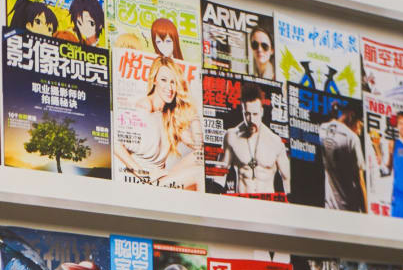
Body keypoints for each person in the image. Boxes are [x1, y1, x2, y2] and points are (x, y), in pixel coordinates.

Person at [115, 56, 202, 187]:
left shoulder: (169, 114)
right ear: (154, 80)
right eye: (164, 80)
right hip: (143, 181)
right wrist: (144, 175)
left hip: (160, 177)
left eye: (173, 82)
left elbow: (199, 147)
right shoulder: (144, 107)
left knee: (200, 158)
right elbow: (116, 143)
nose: (169, 87)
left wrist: (192, 112)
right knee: (198, 173)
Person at [221, 85, 291, 195]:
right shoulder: (232, 136)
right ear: (242, 110)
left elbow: (287, 178)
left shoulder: (275, 141)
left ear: (262, 111)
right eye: (247, 114)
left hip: (267, 205)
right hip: (242, 203)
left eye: (255, 114)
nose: (251, 119)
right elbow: (220, 173)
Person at [319, 103, 367, 212]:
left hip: (329, 207)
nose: (359, 132)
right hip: (348, 209)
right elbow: (360, 182)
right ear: (351, 116)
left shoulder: (322, 128)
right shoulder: (352, 138)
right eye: (360, 126)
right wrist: (366, 215)